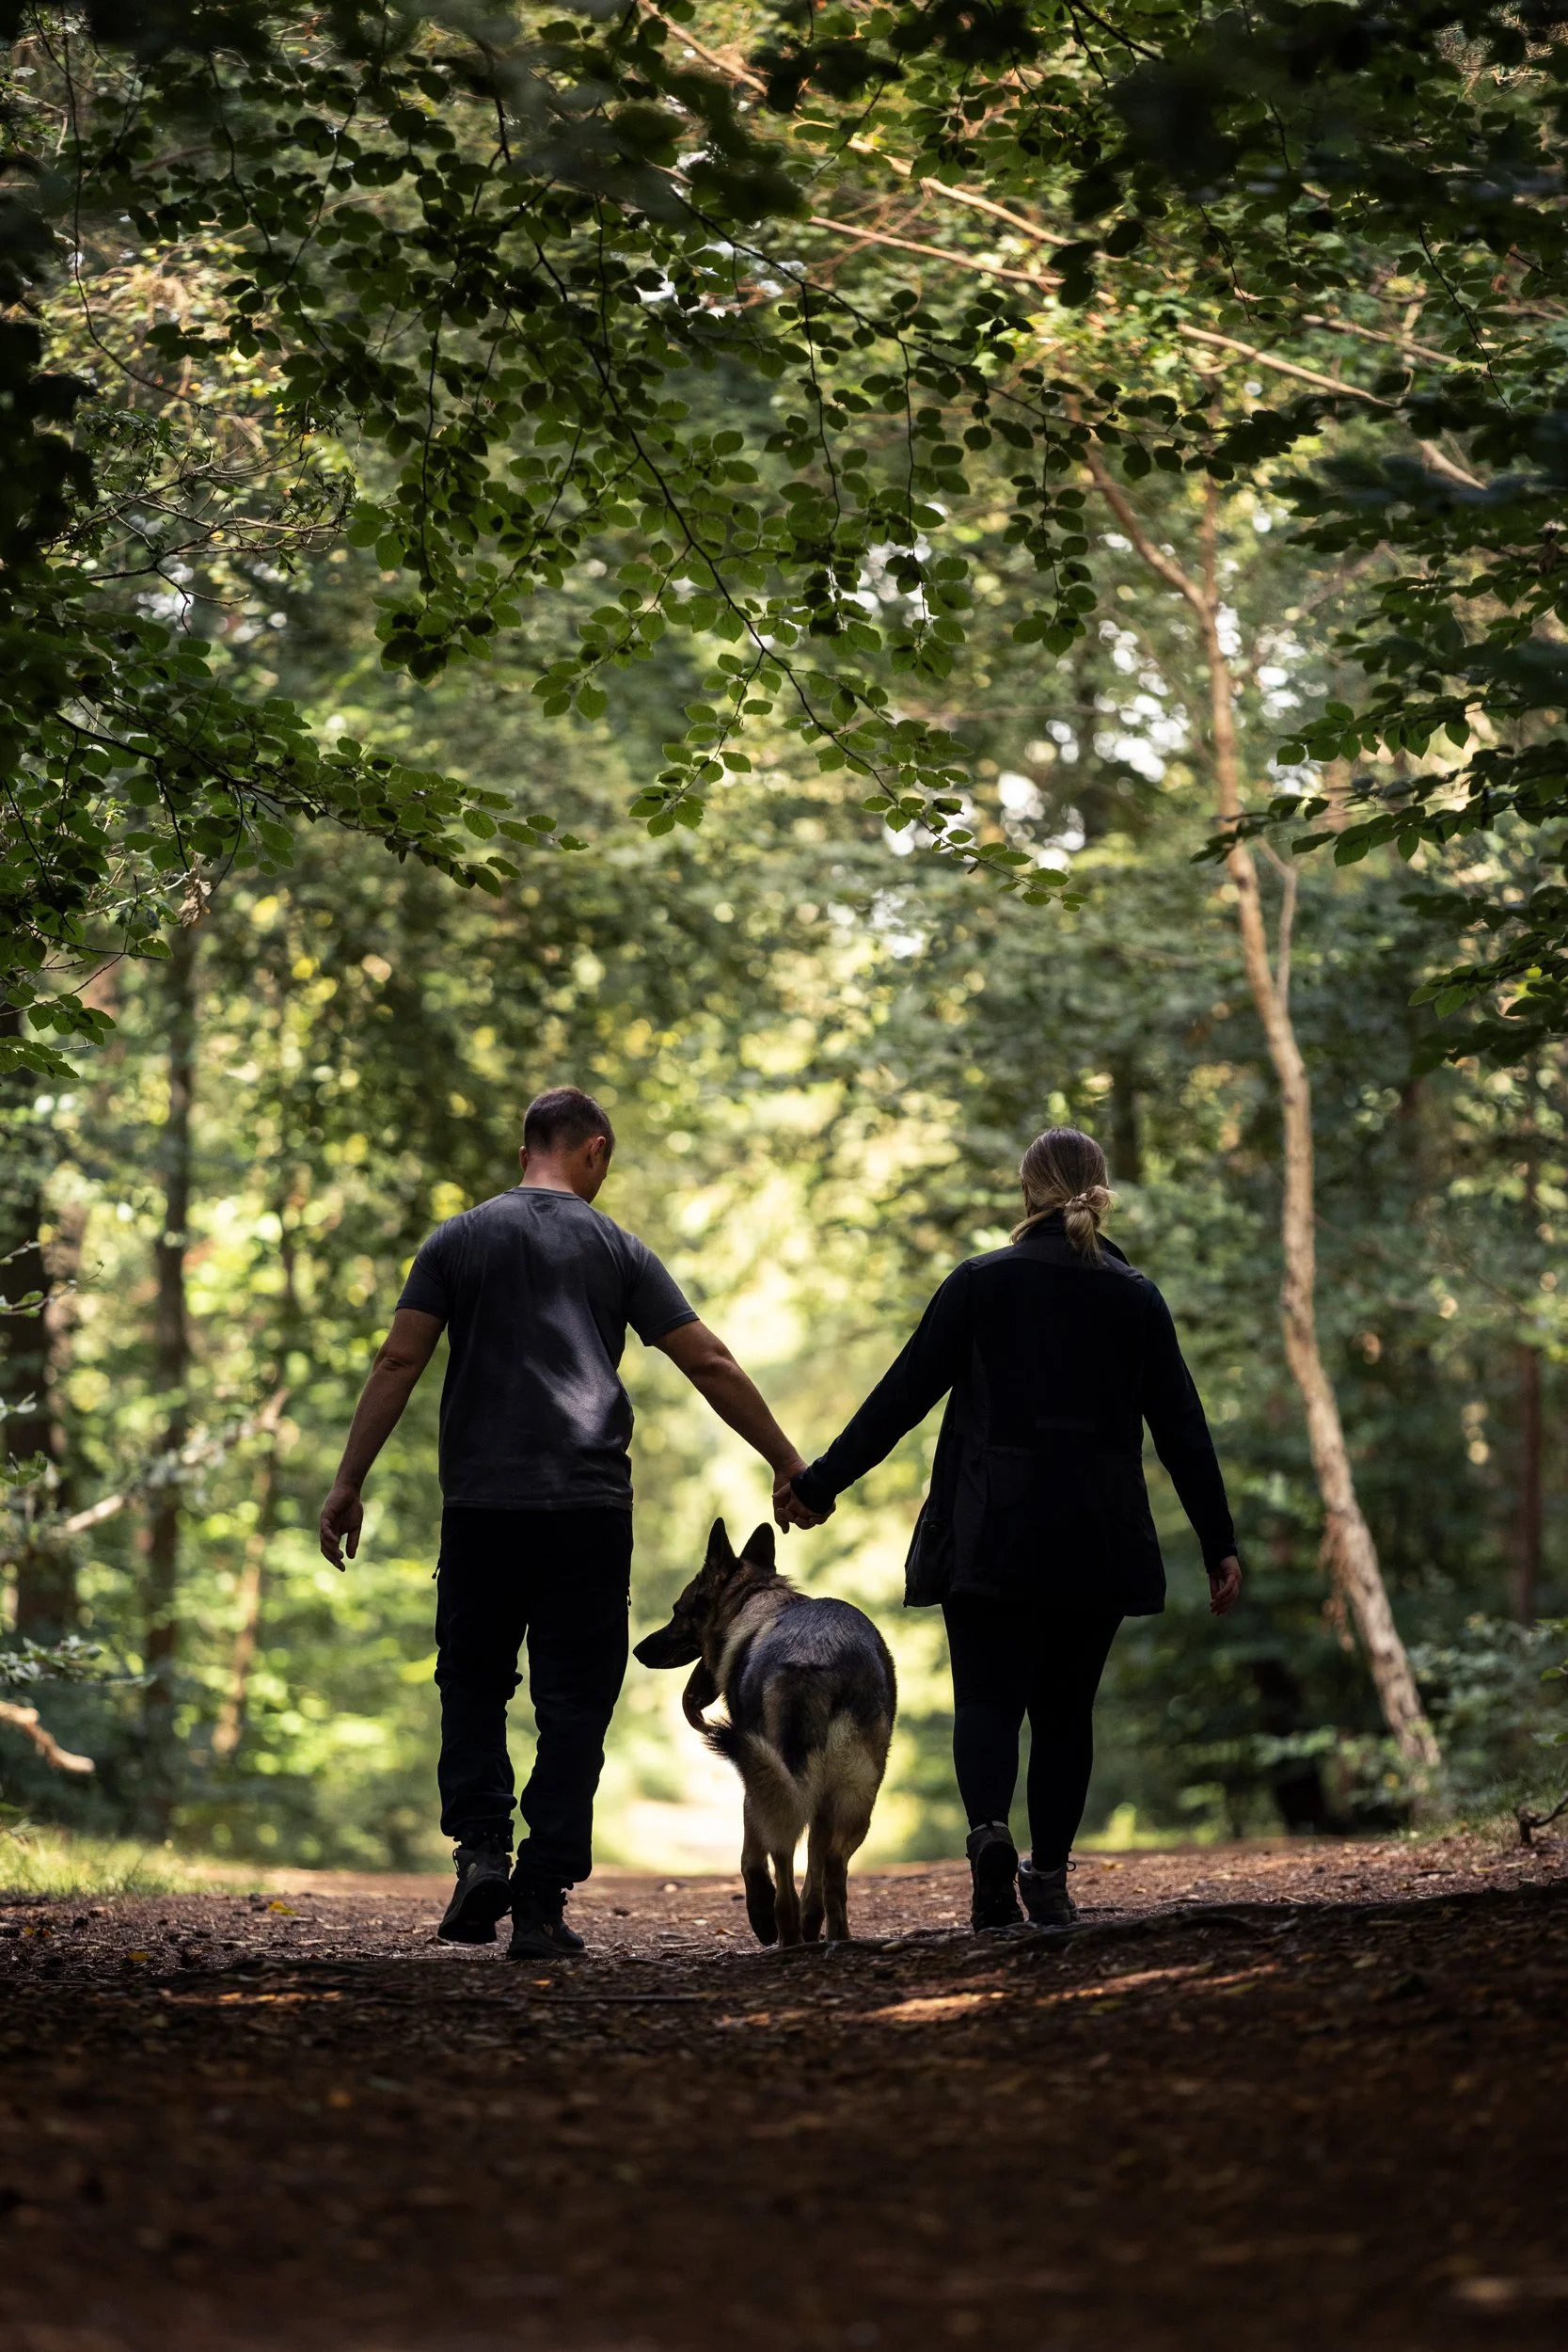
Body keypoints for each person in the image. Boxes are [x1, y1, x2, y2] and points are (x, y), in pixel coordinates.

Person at [319, 1086, 807, 1959]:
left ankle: (479, 1855)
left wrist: (347, 1482)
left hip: (482, 1509)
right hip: (587, 1513)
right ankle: (541, 1901)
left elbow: (400, 1357)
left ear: (522, 1156)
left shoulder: (456, 1240)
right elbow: (709, 1360)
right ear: (594, 1151)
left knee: (472, 1682)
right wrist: (787, 1460)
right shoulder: (618, 1248)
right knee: (574, 1702)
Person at [777, 1125, 1242, 1932]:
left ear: (1026, 1192)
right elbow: (1183, 1431)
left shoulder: (980, 1284)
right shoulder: (1135, 1296)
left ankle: (989, 1838)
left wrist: (819, 1485)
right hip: (1096, 1536)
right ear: (1100, 1190)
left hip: (991, 1527)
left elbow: (900, 1398)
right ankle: (1050, 1877)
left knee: (987, 1700)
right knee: (1065, 1712)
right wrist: (1218, 1543)